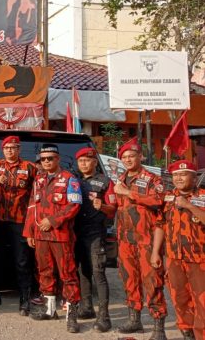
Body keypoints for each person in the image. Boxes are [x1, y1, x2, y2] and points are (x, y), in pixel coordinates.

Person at [23, 144, 82, 333]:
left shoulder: (69, 179)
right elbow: (32, 206)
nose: (46, 162)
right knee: (44, 272)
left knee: (68, 274)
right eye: (43, 159)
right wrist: (29, 231)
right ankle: (49, 310)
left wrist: (53, 220)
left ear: (58, 159)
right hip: (41, 236)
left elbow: (74, 205)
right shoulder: (39, 179)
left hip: (61, 235)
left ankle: (72, 315)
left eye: (50, 158)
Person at [113, 139, 167, 339]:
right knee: (129, 280)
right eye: (124, 157)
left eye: (131, 156)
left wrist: (129, 192)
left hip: (147, 241)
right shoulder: (120, 179)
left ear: (140, 156)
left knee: (153, 282)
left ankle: (158, 329)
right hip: (125, 240)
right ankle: (134, 320)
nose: (128, 160)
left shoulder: (153, 179)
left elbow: (159, 201)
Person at [0, 135, 38, 314]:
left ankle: (24, 299)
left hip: (20, 221)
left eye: (13, 147)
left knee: (22, 261)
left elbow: (38, 191)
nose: (10, 151)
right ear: (3, 150)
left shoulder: (29, 167)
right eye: (7, 148)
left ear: (19, 149)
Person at [152, 160, 204, 340]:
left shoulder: (203, 196)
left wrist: (189, 206)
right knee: (180, 298)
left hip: (199, 260)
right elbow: (160, 224)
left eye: (183, 174)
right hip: (174, 258)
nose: (179, 178)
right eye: (175, 175)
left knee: (202, 302)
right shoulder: (168, 198)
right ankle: (187, 332)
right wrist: (155, 252)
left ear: (194, 177)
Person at [73, 147, 117, 332]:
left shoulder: (105, 182)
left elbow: (113, 208)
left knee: (98, 272)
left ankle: (104, 316)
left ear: (94, 162)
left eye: (87, 160)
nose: (84, 163)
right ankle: (87, 307)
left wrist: (102, 206)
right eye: (81, 161)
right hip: (77, 231)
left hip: (95, 232)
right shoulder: (74, 180)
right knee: (82, 271)